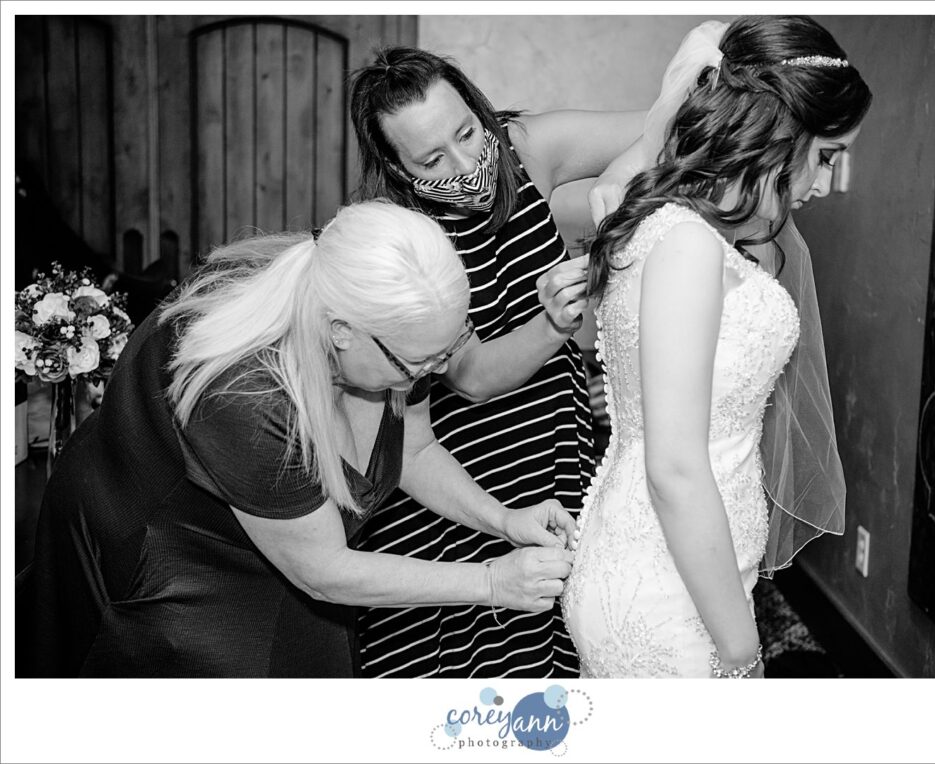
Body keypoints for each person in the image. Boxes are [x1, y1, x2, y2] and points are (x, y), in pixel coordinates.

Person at [15, 200, 577, 678]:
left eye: (447, 351)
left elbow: (414, 448)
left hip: (285, 535)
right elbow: (325, 570)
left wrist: (502, 519)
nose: (432, 376)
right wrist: (493, 582)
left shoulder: (377, 326)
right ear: (341, 332)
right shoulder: (245, 398)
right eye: (417, 365)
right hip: (163, 551)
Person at [562, 16, 871, 677]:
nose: (821, 185)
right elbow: (675, 468)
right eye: (826, 156)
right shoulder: (687, 247)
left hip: (684, 571)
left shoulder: (682, 231)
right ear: (781, 133)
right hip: (665, 592)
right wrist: (741, 651)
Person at [348, 46, 646, 677]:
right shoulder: (403, 232)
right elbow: (473, 375)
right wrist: (554, 323)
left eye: (466, 132)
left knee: (558, 634)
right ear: (398, 170)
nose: (465, 163)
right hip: (463, 459)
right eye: (432, 159)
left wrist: (617, 185)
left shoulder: (523, 147)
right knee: (477, 664)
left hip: (550, 430)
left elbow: (662, 129)